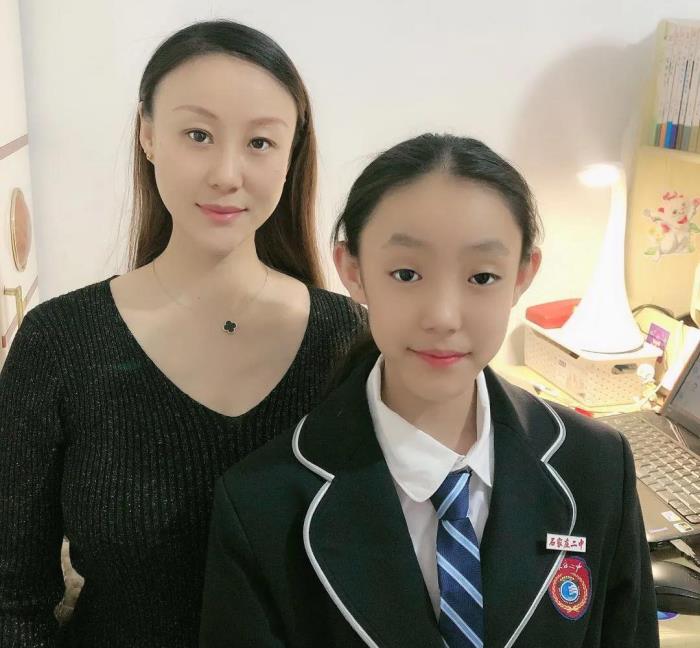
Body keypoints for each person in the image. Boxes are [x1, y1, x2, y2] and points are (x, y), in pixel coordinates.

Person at [199, 134, 659, 647]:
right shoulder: (262, 503)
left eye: (482, 277)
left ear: (523, 275)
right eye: (406, 273)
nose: (443, 316)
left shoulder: (597, 465)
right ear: (353, 270)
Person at [0, 19, 366, 648]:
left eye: (260, 142)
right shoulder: (59, 343)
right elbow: (12, 599)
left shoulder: (349, 341)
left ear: (291, 154)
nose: (226, 173)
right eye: (198, 135)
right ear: (147, 135)